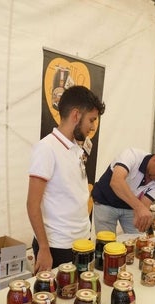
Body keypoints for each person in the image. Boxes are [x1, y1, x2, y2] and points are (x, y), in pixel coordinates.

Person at [27, 85, 105, 273]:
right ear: (76, 115)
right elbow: (32, 204)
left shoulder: (77, 147)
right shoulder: (46, 148)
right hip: (57, 246)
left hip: (81, 241)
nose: (93, 127)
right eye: (91, 120)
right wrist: (44, 249)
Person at [91, 146, 155, 234]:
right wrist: (140, 208)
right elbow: (116, 182)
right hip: (105, 202)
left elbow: (145, 203)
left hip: (130, 206)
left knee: (138, 240)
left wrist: (143, 219)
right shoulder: (131, 155)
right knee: (106, 243)